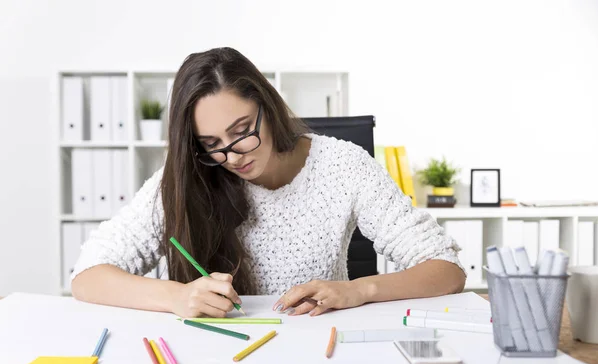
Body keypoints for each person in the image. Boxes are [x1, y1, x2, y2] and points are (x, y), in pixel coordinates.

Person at [71, 47, 465, 318]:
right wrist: (177, 296)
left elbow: (445, 269)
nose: (232, 155)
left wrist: (359, 290)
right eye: (212, 145)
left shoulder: (343, 165)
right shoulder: (189, 177)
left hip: (318, 355)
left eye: (242, 130)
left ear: (267, 104)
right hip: (215, 360)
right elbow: (88, 276)